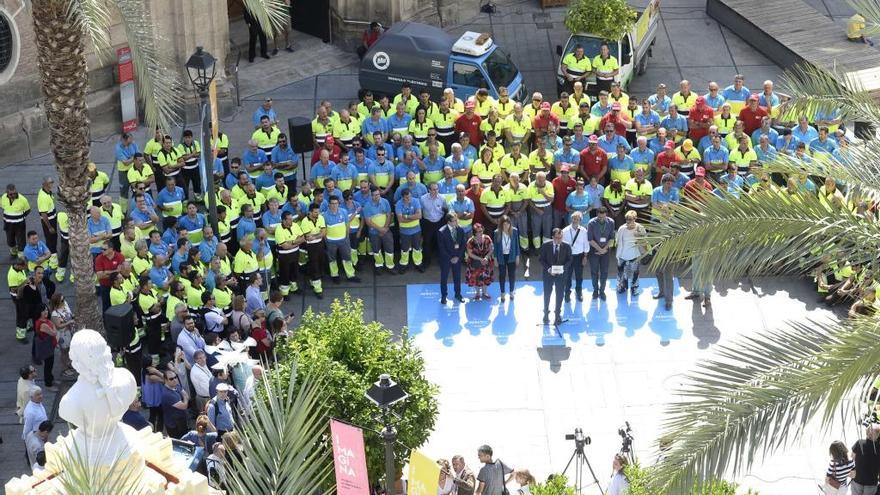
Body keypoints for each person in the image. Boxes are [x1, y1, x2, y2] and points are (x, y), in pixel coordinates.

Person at [539, 228, 572, 325]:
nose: (559, 240)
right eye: (557, 238)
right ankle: (545, 314)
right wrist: (549, 269)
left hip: (561, 275)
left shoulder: (566, 246)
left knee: (560, 295)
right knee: (547, 294)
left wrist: (563, 268)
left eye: (560, 237)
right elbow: (541, 259)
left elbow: (570, 260)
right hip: (548, 274)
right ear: (552, 237)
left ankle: (557, 315)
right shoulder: (545, 245)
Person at [438, 212, 466, 304]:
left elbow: (463, 245)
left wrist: (458, 257)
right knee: (444, 278)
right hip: (446, 259)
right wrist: (450, 258)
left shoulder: (460, 230)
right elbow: (441, 248)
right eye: (454, 221)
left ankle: (458, 294)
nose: (456, 222)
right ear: (449, 222)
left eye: (456, 220)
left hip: (457, 258)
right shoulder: (441, 232)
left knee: (457, 277)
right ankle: (444, 296)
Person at [615, 210, 645, 296]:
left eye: (630, 219)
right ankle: (622, 286)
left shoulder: (640, 228)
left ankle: (634, 289)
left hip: (635, 255)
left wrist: (639, 236)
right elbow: (618, 242)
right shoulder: (621, 228)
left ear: (635, 219)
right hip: (622, 255)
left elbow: (645, 242)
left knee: (635, 273)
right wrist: (618, 255)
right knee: (621, 273)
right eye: (627, 219)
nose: (628, 221)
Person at [562, 211, 589, 302]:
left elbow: (586, 244)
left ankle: (579, 292)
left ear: (580, 220)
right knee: (567, 276)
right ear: (571, 219)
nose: (575, 220)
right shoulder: (565, 231)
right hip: (568, 257)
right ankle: (567, 293)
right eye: (574, 218)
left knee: (579, 276)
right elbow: (562, 246)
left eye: (577, 219)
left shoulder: (584, 231)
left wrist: (585, 256)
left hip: (579, 256)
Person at [493, 215, 520, 301]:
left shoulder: (514, 231)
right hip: (501, 256)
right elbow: (495, 247)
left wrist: (517, 256)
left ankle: (511, 292)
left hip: (511, 256)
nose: (506, 226)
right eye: (504, 225)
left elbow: (517, 245)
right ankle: (503, 293)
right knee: (502, 275)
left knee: (512, 275)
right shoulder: (497, 232)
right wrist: (495, 258)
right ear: (501, 225)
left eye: (508, 224)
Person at [465, 223, 495, 300]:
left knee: (486, 278)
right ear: (474, 232)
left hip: (486, 261)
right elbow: (470, 254)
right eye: (478, 231)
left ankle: (485, 293)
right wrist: (480, 259)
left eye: (481, 230)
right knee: (475, 278)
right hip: (474, 262)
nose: (481, 232)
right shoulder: (470, 241)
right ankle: (477, 293)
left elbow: (492, 249)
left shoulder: (487, 238)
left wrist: (486, 257)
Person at [2, 183, 31, 258]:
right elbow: (3, 207)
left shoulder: (23, 199)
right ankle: (13, 253)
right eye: (11, 194)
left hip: (19, 224)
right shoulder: (3, 198)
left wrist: (20, 217)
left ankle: (21, 257)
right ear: (7, 193)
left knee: (21, 241)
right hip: (8, 224)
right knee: (10, 240)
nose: (13, 195)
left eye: (15, 193)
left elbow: (28, 210)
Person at [33, 305, 57, 390]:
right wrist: (53, 325)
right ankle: (48, 384)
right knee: (48, 365)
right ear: (39, 312)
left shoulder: (43, 320)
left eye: (46, 310)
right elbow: (54, 333)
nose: (46, 312)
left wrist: (52, 325)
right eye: (43, 311)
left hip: (49, 346)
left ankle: (51, 379)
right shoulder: (43, 324)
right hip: (47, 348)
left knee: (49, 364)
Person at [851, 425, 880, 495]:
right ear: (878, 435)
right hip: (872, 482)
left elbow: (852, 457)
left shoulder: (859, 442)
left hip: (858, 479)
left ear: (867, 433)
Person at [161, 368, 190, 439]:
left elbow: (187, 395)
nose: (174, 380)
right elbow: (184, 406)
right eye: (171, 379)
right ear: (165, 380)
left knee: (185, 436)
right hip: (174, 424)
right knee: (179, 441)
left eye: (175, 377)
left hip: (181, 420)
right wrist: (185, 399)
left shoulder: (176, 385)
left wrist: (185, 398)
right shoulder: (167, 394)